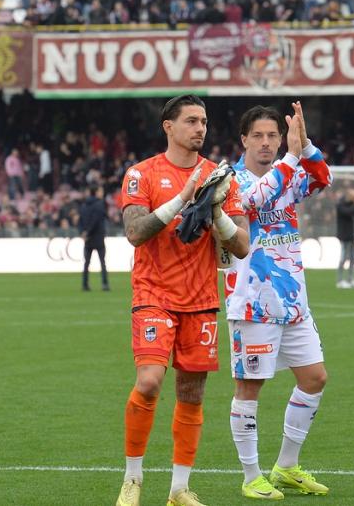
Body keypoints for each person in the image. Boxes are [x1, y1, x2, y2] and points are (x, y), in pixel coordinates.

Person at [115, 94, 249, 506]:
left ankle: (179, 489)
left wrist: (215, 212)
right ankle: (133, 479)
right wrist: (183, 198)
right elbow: (135, 232)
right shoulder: (142, 174)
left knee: (191, 394)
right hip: (154, 294)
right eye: (191, 121)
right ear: (168, 127)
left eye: (204, 121)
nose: (200, 129)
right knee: (150, 382)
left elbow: (241, 245)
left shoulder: (221, 179)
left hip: (202, 299)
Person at [225, 103, 332, 500]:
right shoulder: (229, 179)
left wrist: (305, 146)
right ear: (244, 140)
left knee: (315, 378)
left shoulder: (289, 172)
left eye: (273, 135)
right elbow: (253, 201)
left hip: (293, 300)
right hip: (251, 300)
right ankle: (251, 475)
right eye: (259, 136)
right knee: (249, 387)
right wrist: (290, 155)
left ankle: (286, 466)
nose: (267, 142)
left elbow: (323, 178)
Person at [79, 184, 110, 291]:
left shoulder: (84, 205)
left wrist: (83, 233)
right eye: (101, 191)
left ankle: (85, 284)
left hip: (88, 238)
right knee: (102, 262)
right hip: (98, 237)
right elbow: (96, 220)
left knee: (86, 263)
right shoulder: (99, 204)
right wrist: (88, 232)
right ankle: (105, 284)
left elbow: (80, 221)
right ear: (96, 192)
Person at [334, 189, 354, 288]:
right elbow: (348, 213)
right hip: (345, 236)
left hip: (353, 236)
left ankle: (351, 279)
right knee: (344, 258)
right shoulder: (341, 205)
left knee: (353, 258)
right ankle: (340, 280)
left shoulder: (353, 205)